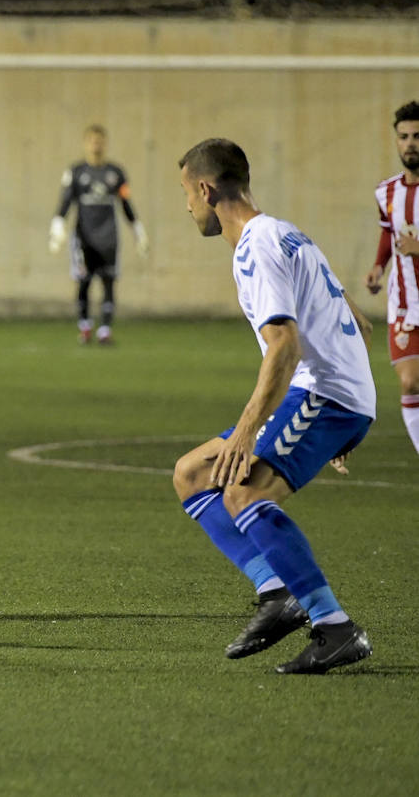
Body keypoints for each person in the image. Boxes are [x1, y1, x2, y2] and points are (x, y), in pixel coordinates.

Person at [171, 138, 375, 674]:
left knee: (242, 491)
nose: (187, 207)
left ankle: (334, 625)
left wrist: (250, 429)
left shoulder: (254, 248)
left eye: (186, 194)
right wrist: (341, 418)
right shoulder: (284, 233)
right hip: (332, 396)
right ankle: (276, 591)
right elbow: (359, 321)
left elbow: (284, 345)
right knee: (193, 475)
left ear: (205, 189)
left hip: (324, 395)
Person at [48, 125, 149, 344]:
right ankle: (84, 327)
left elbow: (126, 203)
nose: (96, 145)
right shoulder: (76, 172)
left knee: (109, 281)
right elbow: (66, 201)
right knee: (83, 281)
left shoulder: (116, 173)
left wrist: (138, 230)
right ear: (85, 143)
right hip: (83, 238)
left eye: (100, 141)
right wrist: (57, 225)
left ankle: (105, 330)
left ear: (105, 143)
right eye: (92, 141)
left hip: (108, 237)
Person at [364, 100, 419, 457]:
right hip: (405, 304)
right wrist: (378, 266)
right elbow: (389, 232)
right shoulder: (386, 192)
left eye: (417, 136)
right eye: (404, 136)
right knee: (410, 382)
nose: (410, 143)